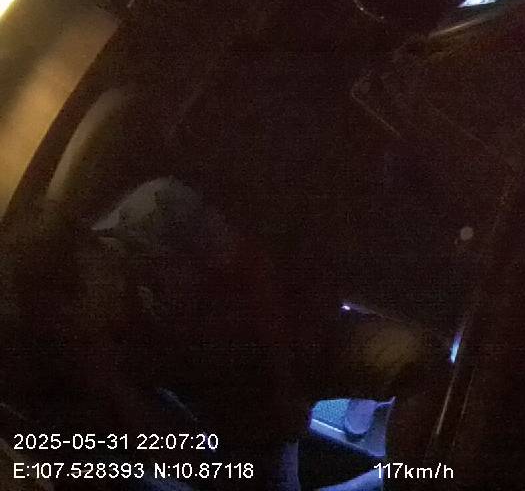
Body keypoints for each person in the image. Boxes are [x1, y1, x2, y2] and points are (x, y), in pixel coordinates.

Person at [0, 178, 441, 491]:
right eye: (65, 322)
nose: (86, 322)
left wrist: (284, 389)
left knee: (423, 361)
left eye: (79, 300)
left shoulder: (157, 210)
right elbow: (169, 446)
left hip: (298, 338)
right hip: (235, 410)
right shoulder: (86, 341)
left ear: (88, 252)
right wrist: (110, 379)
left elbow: (257, 281)